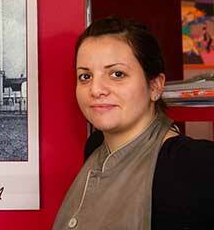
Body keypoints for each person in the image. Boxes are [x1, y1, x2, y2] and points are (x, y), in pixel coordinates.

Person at [54, 17, 214, 230]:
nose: (95, 89)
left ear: (156, 86)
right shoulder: (95, 146)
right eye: (85, 76)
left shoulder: (192, 162)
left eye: (117, 74)